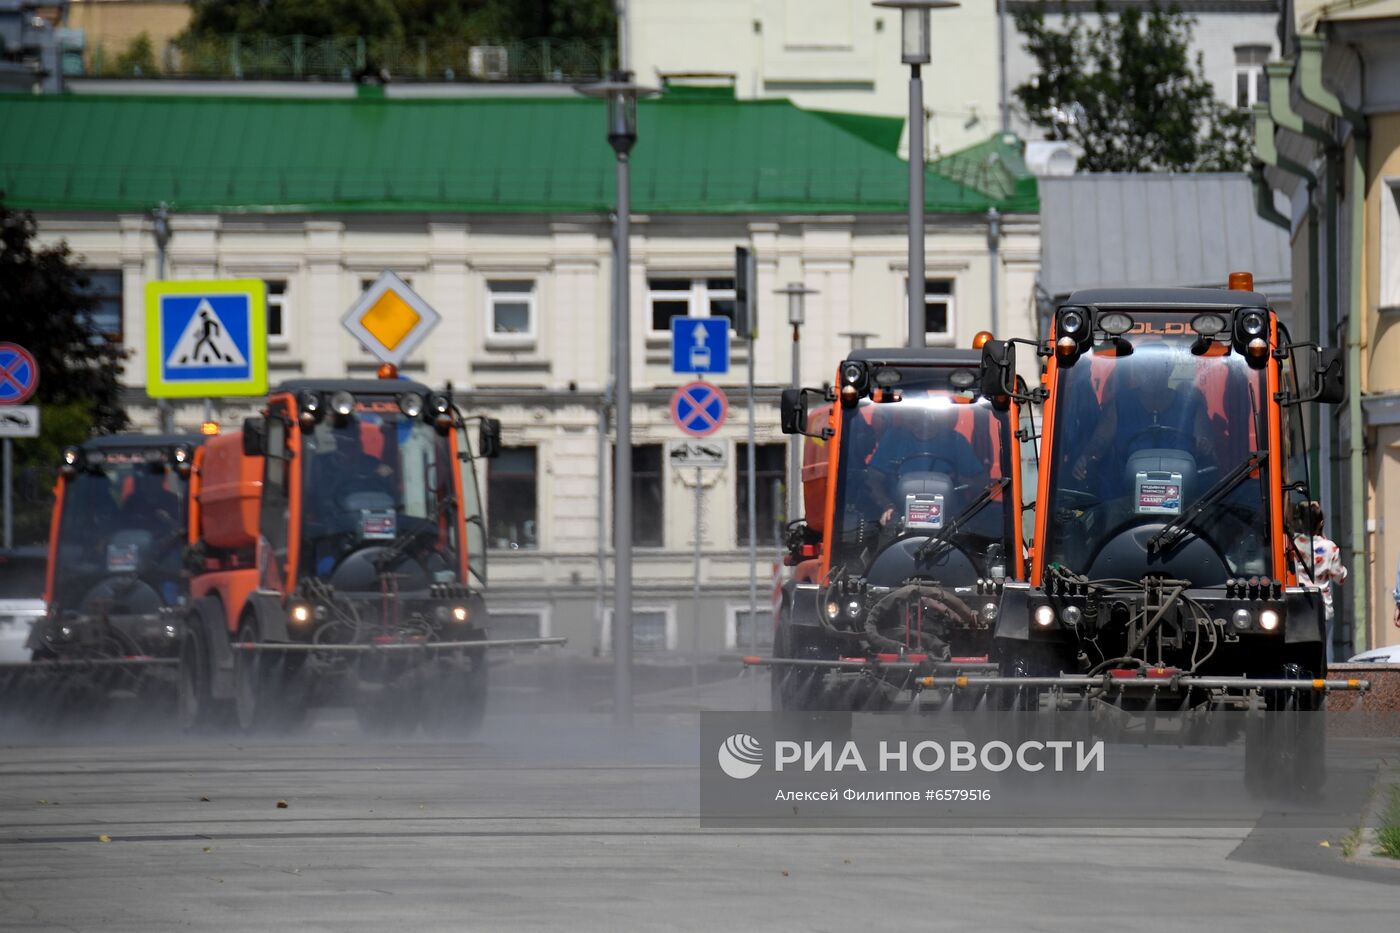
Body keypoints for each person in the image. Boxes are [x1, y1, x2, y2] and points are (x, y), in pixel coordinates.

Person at [1072, 343, 1214, 483]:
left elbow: (1206, 447)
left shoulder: (1192, 408)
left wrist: (1204, 448)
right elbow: (1099, 442)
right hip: (1123, 497)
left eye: (1157, 367)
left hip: (1185, 499)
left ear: (1170, 368)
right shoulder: (1119, 405)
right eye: (1144, 366)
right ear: (1136, 370)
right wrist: (1086, 457)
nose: (1150, 372)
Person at [866, 402, 985, 527]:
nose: (916, 417)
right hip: (897, 519)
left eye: (921, 413)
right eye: (911, 413)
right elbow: (873, 479)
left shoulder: (955, 441)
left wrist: (957, 479)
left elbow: (981, 483)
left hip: (950, 523)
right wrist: (887, 505)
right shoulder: (893, 438)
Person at [1291, 500, 1347, 662]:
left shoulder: (1292, 544)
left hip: (1298, 605)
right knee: (1324, 651)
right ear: (1321, 523)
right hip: (1322, 607)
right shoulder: (1330, 547)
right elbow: (1340, 578)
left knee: (1299, 651)